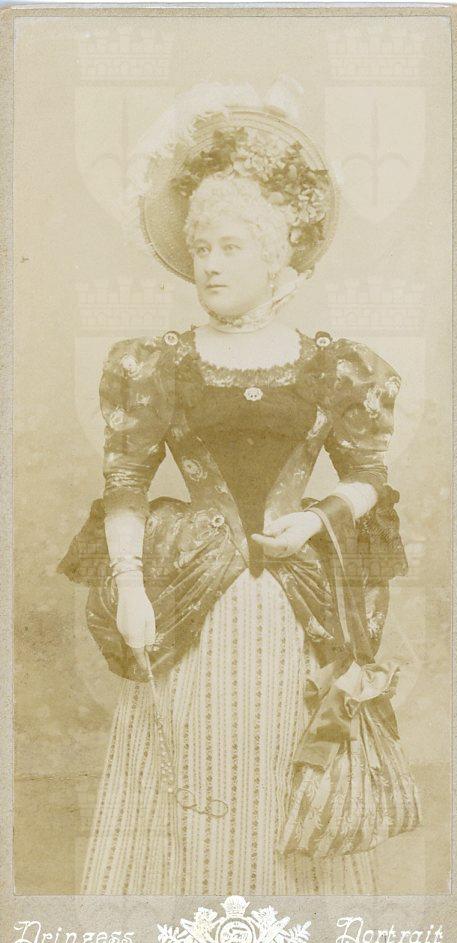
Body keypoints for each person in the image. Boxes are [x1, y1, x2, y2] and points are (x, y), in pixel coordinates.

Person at [58, 81, 420, 896]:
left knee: (290, 761)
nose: (210, 264)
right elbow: (124, 485)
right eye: (200, 248)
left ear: (276, 256)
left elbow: (367, 478)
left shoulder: (332, 365)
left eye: (229, 247)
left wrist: (318, 519)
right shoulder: (158, 363)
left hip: (294, 608)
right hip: (192, 599)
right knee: (191, 764)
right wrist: (130, 589)